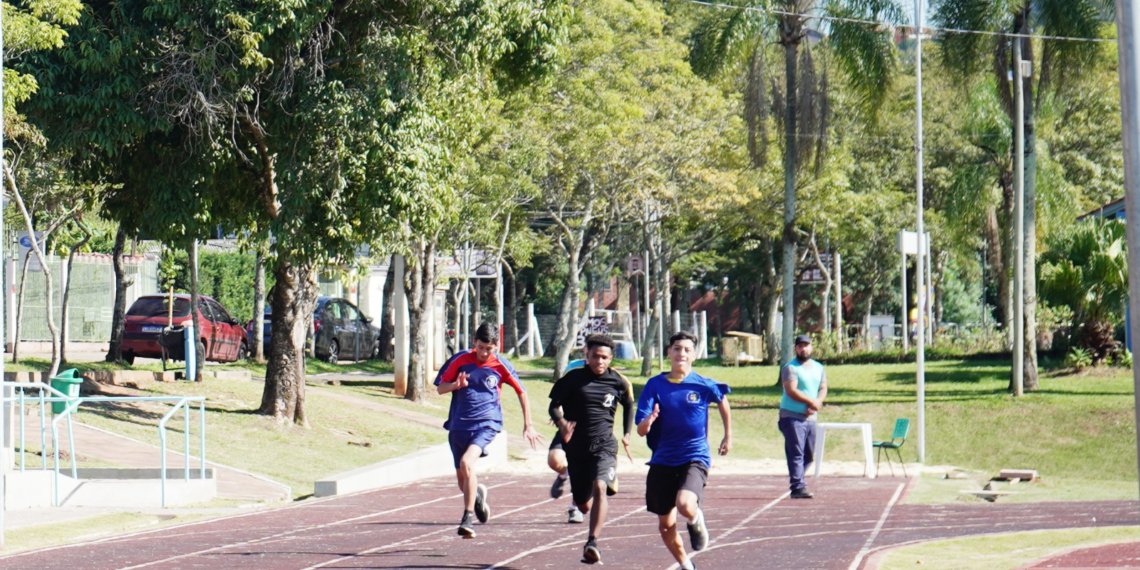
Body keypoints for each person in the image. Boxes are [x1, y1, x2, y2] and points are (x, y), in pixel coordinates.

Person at [435, 322, 542, 538]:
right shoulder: (460, 359)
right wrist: (456, 385)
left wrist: (528, 424)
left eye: (489, 349)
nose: (484, 353)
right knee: (462, 480)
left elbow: (522, 392)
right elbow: (440, 388)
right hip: (458, 425)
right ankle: (477, 497)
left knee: (467, 462)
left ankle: (467, 518)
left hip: (487, 423)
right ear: (475, 342)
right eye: (481, 347)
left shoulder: (501, 365)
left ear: (497, 346)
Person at [636, 331, 731, 570]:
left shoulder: (702, 384)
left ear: (694, 355)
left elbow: (722, 399)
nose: (682, 354)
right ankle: (687, 565)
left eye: (687, 350)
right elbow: (640, 429)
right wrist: (649, 421)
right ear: (669, 352)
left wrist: (727, 435)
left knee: (686, 504)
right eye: (677, 348)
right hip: (662, 460)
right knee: (665, 526)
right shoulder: (655, 385)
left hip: (694, 456)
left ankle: (696, 519)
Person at [548, 334, 634, 564]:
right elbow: (554, 406)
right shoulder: (573, 379)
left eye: (604, 357)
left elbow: (629, 404)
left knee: (600, 486)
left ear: (611, 358)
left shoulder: (618, 381)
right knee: (584, 505)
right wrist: (562, 423)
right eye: (595, 356)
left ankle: (592, 542)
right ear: (586, 354)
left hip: (604, 445)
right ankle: (600, 485)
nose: (599, 361)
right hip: (576, 449)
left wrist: (626, 433)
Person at [778, 334, 828, 499]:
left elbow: (822, 388)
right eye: (800, 346)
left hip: (810, 417)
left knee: (809, 454)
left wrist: (817, 403)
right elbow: (791, 390)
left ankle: (798, 477)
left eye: (806, 345)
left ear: (811, 347)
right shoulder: (790, 368)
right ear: (796, 348)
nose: (803, 348)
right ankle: (797, 486)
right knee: (796, 452)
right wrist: (811, 402)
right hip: (791, 417)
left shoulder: (818, 368)